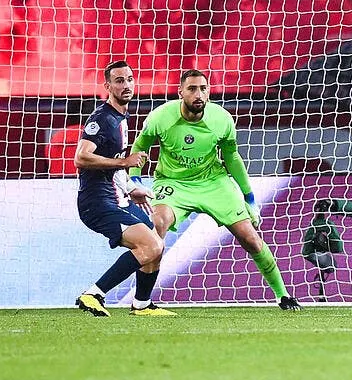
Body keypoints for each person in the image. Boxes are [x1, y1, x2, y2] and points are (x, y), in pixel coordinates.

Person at [132, 69, 302, 310]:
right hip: (173, 183)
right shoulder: (161, 117)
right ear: (180, 92)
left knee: (251, 239)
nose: (198, 94)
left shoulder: (221, 119)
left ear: (209, 92)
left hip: (214, 183)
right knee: (157, 225)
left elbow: (232, 157)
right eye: (191, 89)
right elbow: (140, 148)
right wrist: (136, 182)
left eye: (203, 88)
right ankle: (142, 301)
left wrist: (249, 197)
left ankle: (283, 295)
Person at [74, 60, 173, 317]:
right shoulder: (102, 119)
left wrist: (130, 187)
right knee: (151, 246)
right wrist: (125, 162)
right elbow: (81, 158)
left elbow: (113, 165)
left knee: (157, 241)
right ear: (108, 86)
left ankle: (141, 304)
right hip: (97, 203)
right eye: (119, 80)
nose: (126, 84)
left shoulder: (120, 117)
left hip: (118, 198)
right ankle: (94, 293)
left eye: (129, 79)